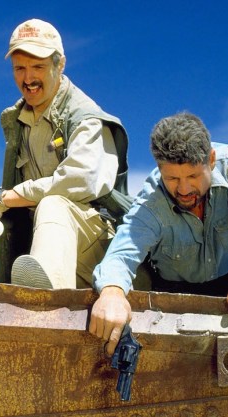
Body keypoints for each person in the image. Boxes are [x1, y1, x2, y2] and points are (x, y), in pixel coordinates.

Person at [0, 18, 130, 289]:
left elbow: (79, 181)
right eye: (19, 68)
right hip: (43, 244)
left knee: (54, 204)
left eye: (38, 66)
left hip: (99, 255)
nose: (28, 78)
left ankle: (48, 307)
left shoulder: (86, 117)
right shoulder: (18, 120)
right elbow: (23, 195)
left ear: (60, 65)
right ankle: (36, 294)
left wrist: (6, 198)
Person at [90, 112, 228, 354]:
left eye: (193, 176)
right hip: (172, 293)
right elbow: (123, 251)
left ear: (212, 160)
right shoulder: (152, 202)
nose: (184, 189)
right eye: (172, 178)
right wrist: (112, 292)